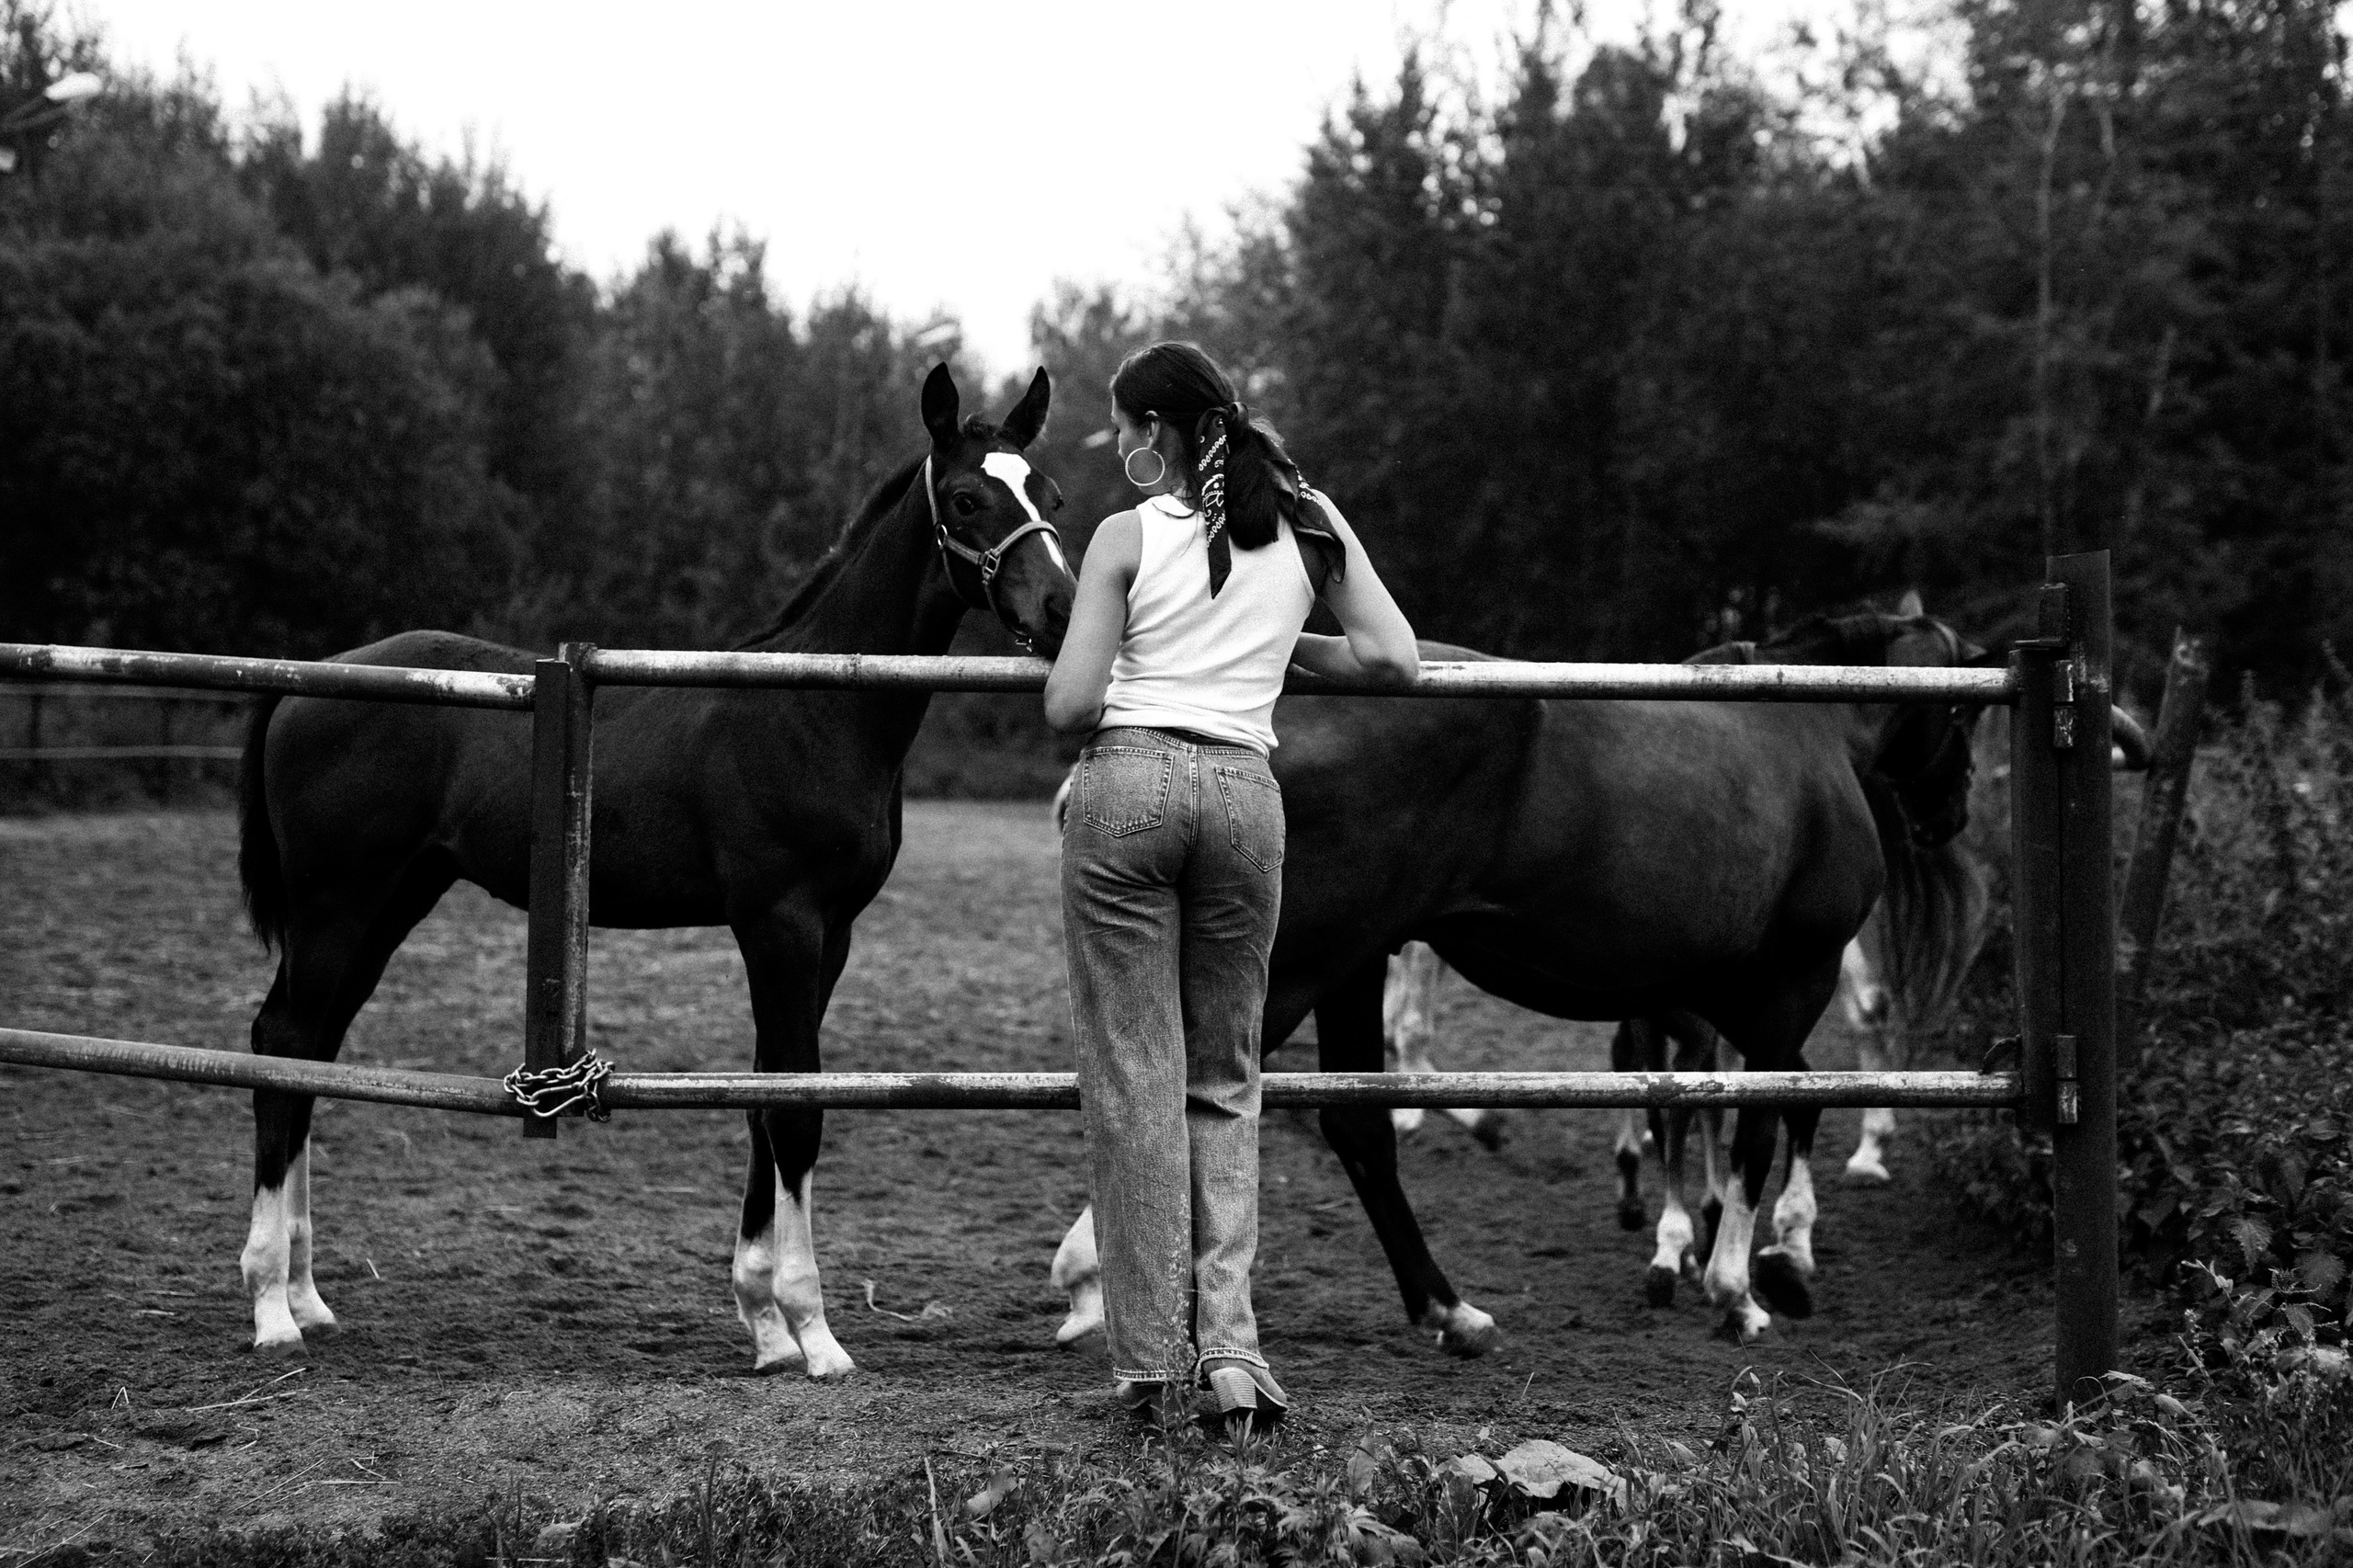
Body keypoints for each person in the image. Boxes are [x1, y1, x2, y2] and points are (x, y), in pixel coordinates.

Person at [1042, 341, 1419, 1426]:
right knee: (1227, 1078)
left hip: (1129, 792)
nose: (1117, 449)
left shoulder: (1124, 536)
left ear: (1158, 431)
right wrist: (1280, 650)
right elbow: (1394, 659)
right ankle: (1234, 1358)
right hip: (1249, 801)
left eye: (1121, 429)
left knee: (1134, 1082)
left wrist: (1117, 653)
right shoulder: (1309, 518)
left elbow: (1071, 706)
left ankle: (1154, 1363)